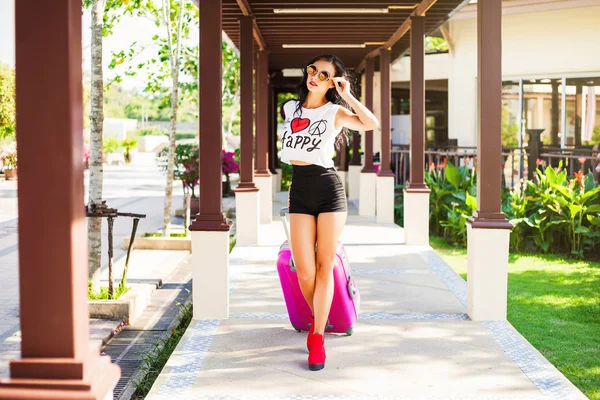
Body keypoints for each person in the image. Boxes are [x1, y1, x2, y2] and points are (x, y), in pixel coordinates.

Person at [279, 54, 379, 371]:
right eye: (312, 70)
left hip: (328, 188)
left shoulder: (334, 111)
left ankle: (317, 337)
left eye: (324, 75)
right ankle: (321, 316)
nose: (315, 77)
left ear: (331, 81)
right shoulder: (289, 109)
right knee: (304, 271)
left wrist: (346, 94)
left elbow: (371, 124)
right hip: (299, 189)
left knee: (324, 267)